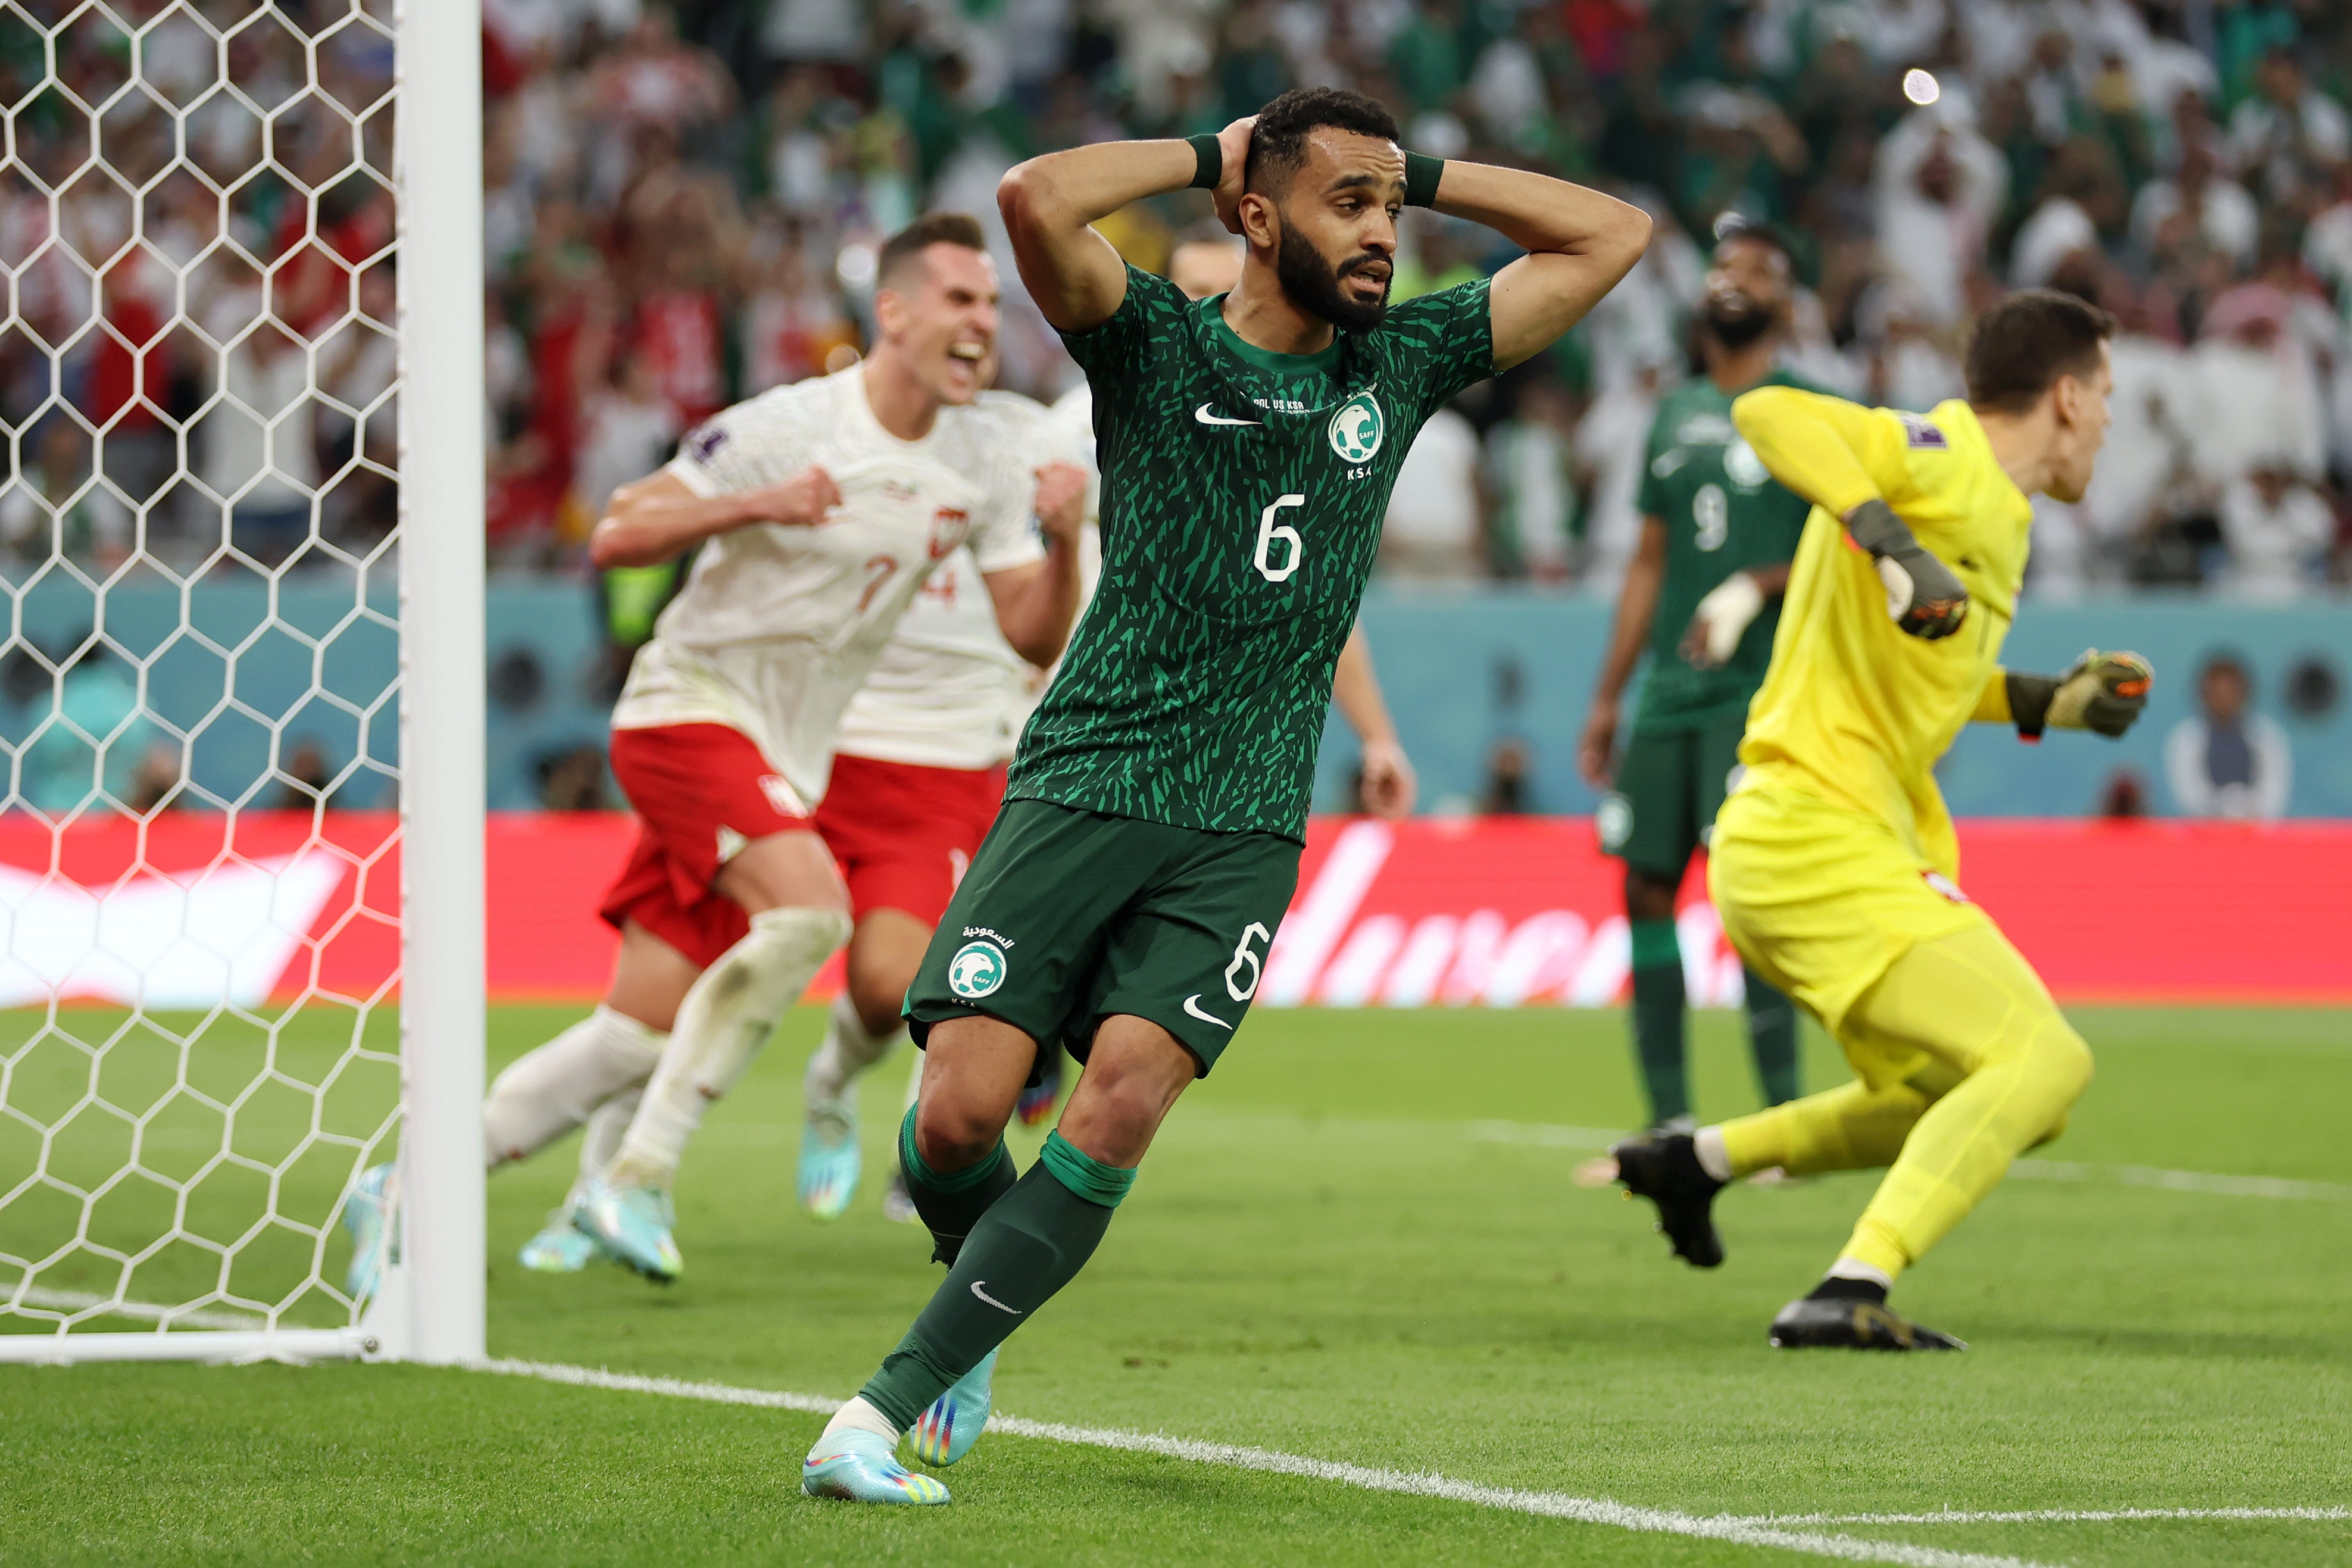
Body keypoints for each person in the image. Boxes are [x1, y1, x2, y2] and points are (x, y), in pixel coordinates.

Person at [800, 86, 1648, 1505]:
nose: (1381, 235)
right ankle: (978, 1289)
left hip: (1244, 820)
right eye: (1346, 206)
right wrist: (1216, 151)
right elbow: (1032, 198)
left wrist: (1410, 169)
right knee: (958, 1120)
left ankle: (876, 1410)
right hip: (1086, 781)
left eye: (1389, 211)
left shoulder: (1400, 361)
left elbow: (1610, 234)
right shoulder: (1147, 343)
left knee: (1121, 1098)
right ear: (1254, 217)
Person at [347, 214, 1088, 1293]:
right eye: (963, 301)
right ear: (895, 312)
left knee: (633, 1034)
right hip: (687, 709)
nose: (985, 324)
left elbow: (1032, 632)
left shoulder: (982, 454)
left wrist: (1064, 538)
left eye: (991, 307)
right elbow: (616, 530)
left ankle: (406, 1183)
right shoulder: (794, 424)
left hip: (788, 749)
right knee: (811, 914)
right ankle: (637, 1174)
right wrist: (762, 503)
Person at [799, 239, 1422, 1230]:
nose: (1241, 295)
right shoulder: (1063, 428)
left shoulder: (1303, 414)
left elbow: (1309, 606)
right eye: (1212, 277)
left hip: (1189, 771)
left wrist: (1376, 734)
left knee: (1053, 1012)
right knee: (935, 988)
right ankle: (886, 1110)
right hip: (1037, 736)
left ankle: (961, 1176)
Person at [1608, 289, 2153, 1351]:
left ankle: (1694, 1158)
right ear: (2068, 396)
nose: (2109, 422)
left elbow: (1930, 669)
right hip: (1816, 836)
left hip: (1803, 843)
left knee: (1941, 1093)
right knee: (2045, 1060)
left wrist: (2051, 700)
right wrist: (1888, 539)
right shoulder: (1939, 456)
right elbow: (1769, 413)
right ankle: (1849, 1284)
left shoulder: (1993, 509)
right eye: (2109, 398)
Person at [1575, 219, 1812, 1144]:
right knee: (1642, 885)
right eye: (1721, 264)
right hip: (1667, 696)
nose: (1733, 276)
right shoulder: (1671, 414)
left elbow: (1853, 546)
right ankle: (1668, 1117)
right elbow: (1645, 562)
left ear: (1784, 306)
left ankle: (1787, 1119)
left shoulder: (1811, 408)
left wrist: (1760, 581)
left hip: (1760, 696)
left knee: (1746, 891)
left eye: (1758, 267)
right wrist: (1607, 695)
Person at [2164, 653, 2291, 820]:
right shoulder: (2185, 739)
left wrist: (2245, 811)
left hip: (2257, 834)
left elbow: (2274, 794)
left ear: (2243, 692)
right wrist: (2223, 810)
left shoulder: (2267, 737)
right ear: (2204, 694)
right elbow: (2188, 794)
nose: (2223, 697)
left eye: (2230, 690)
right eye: (2217, 691)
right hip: (2203, 836)